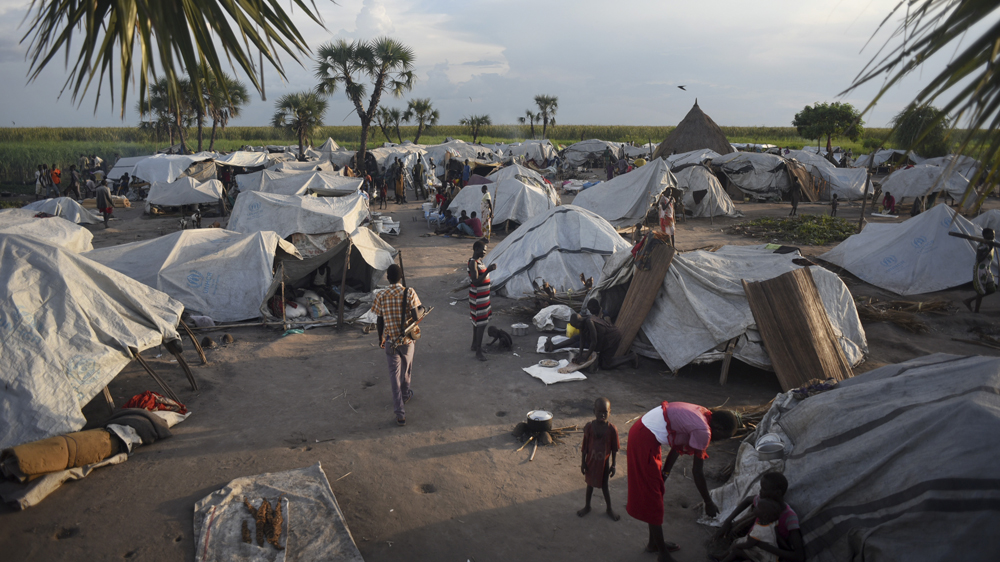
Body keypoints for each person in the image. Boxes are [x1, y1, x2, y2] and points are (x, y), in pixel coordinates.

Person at [626, 401, 739, 561]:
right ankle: (662, 554)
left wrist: (665, 472)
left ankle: (654, 543)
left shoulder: (705, 414)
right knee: (653, 500)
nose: (720, 441)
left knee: (656, 493)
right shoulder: (703, 431)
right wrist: (708, 502)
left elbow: (677, 444)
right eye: (723, 437)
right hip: (643, 439)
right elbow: (697, 472)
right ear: (718, 428)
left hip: (645, 433)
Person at [370, 264, 422, 426]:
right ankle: (405, 395)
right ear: (401, 277)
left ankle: (400, 414)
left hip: (390, 341)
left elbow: (379, 319)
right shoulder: (409, 292)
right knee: (406, 370)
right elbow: (416, 317)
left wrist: (380, 338)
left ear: (387, 278)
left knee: (394, 376)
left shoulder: (381, 295)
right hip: (407, 341)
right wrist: (421, 310)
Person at [717, 472, 804, 562]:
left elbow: (799, 556)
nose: (760, 491)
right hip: (752, 546)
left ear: (777, 493)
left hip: (767, 555)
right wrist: (728, 521)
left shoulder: (789, 517)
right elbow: (747, 500)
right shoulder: (764, 503)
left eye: (764, 489)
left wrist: (765, 547)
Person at [578, 397, 621, 521]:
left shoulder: (612, 430)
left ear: (610, 412)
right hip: (591, 462)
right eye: (599, 411)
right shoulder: (589, 428)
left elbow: (614, 449)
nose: (602, 414)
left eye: (605, 412)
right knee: (589, 485)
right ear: (594, 411)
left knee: (605, 487)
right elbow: (584, 447)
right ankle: (587, 506)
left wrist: (613, 465)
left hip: (604, 464)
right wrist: (583, 462)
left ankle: (609, 509)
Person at [468, 239, 496, 361]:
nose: (484, 253)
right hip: (478, 298)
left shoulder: (479, 261)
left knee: (477, 322)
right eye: (483, 250)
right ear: (476, 249)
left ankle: (475, 345)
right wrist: (488, 271)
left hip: (483, 297)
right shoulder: (473, 263)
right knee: (481, 324)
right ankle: (478, 351)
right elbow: (476, 281)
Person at [963, 228, 997, 313]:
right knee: (981, 291)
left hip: (987, 269)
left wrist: (991, 247)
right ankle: (976, 311)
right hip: (980, 270)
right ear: (985, 235)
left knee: (992, 289)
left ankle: (969, 300)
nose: (993, 236)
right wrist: (989, 250)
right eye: (991, 234)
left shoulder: (991, 243)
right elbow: (979, 259)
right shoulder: (982, 246)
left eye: (994, 234)